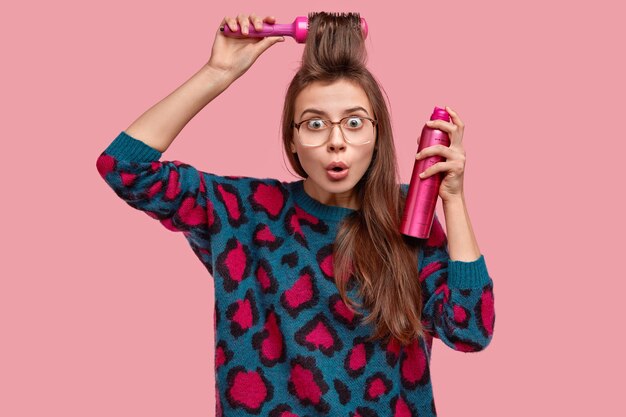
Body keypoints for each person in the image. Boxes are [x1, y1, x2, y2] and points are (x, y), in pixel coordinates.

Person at [96, 12, 495, 417]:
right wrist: (217, 72)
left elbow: (469, 330)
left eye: (354, 123)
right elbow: (125, 168)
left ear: (377, 135)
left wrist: (453, 198)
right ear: (292, 137)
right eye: (315, 123)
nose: (336, 141)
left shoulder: (408, 216)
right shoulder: (244, 212)